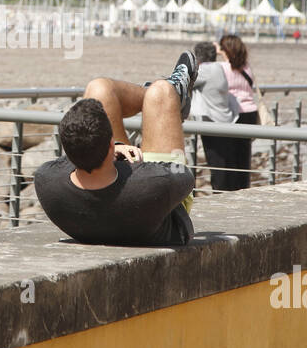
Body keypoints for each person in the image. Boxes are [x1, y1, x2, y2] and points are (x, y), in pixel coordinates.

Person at [34, 52, 198, 247]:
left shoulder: (45, 180)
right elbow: (184, 177)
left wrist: (116, 150)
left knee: (98, 88)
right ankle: (170, 95)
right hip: (159, 212)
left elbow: (66, 161)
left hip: (110, 214)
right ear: (110, 145)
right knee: (161, 93)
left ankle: (164, 95)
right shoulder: (156, 182)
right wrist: (136, 164)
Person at [190, 40, 244, 191]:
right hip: (225, 121)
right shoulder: (218, 67)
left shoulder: (205, 70)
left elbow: (185, 80)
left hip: (213, 122)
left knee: (217, 164)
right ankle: (227, 193)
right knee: (226, 163)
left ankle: (220, 193)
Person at [219, 34, 262, 188]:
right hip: (250, 112)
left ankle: (231, 189)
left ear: (226, 50)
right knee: (244, 156)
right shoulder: (247, 67)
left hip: (234, 113)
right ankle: (244, 187)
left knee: (229, 156)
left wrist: (216, 50)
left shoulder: (223, 68)